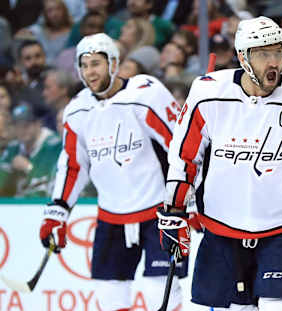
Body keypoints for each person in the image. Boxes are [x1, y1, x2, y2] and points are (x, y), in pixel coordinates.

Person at [157, 16, 282, 310]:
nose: (273, 62)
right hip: (222, 229)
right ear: (243, 58)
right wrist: (175, 210)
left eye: (278, 51)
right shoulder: (208, 93)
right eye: (263, 54)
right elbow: (184, 157)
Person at [38, 33, 185, 311]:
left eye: (96, 63)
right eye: (84, 65)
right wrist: (58, 209)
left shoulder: (146, 93)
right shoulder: (77, 111)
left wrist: (192, 195)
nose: (89, 72)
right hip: (111, 216)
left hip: (159, 212)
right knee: (108, 295)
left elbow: (180, 146)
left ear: (114, 63)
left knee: (159, 294)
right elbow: (72, 165)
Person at [0, 103, 62, 197]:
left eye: (26, 125)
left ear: (38, 124)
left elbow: (53, 183)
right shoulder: (13, 147)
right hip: (16, 205)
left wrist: (29, 168)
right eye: (17, 126)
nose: (21, 130)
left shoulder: (54, 145)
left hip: (42, 204)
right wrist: (9, 173)